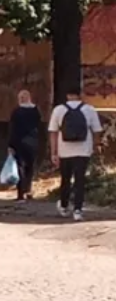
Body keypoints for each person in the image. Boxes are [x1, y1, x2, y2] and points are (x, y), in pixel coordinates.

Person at [48, 85, 103, 221]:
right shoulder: (89, 110)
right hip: (84, 150)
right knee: (80, 180)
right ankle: (78, 210)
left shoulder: (59, 110)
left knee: (65, 179)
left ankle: (64, 206)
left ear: (67, 95)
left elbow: (53, 132)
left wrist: (54, 153)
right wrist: (96, 146)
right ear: (81, 94)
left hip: (64, 150)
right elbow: (97, 131)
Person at [7, 89, 42, 201]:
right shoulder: (35, 111)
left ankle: (21, 193)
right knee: (30, 167)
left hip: (19, 142)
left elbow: (13, 129)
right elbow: (39, 126)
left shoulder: (17, 112)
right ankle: (28, 190)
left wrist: (10, 145)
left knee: (19, 167)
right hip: (32, 142)